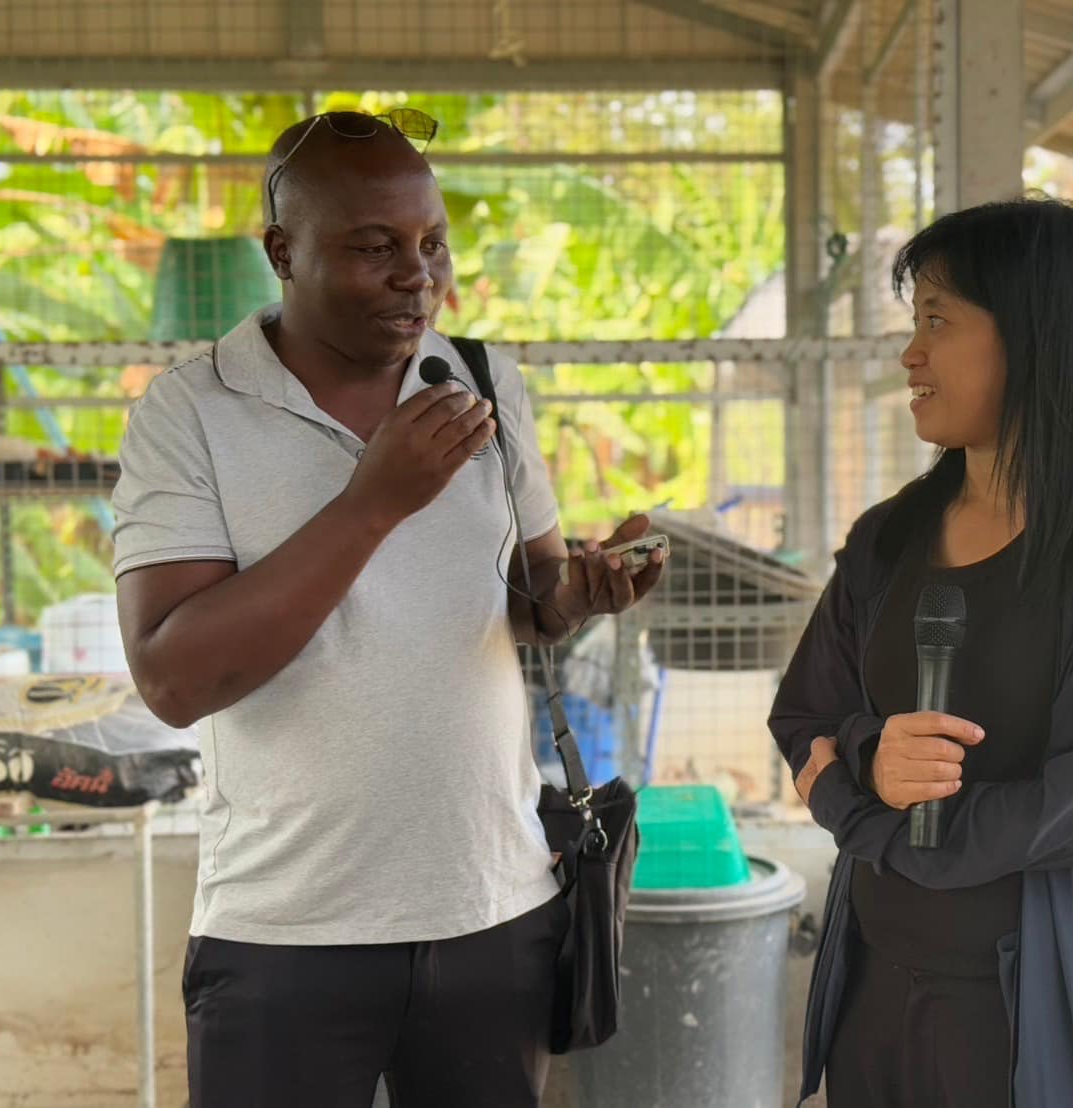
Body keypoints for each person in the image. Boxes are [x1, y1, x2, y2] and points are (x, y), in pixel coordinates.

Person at [112, 109, 664, 1108]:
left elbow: (529, 598)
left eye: (432, 243)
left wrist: (582, 591)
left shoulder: (482, 379)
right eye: (375, 248)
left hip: (494, 906)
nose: (419, 276)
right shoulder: (191, 410)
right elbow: (174, 679)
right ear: (283, 251)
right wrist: (372, 504)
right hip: (286, 926)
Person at [770, 196, 1073, 1108]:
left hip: (1048, 1014)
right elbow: (806, 717)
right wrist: (869, 752)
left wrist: (858, 814)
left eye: (938, 321)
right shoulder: (891, 536)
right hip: (876, 995)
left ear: (1036, 335)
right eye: (915, 323)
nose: (911, 355)